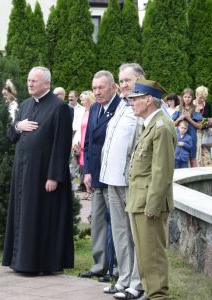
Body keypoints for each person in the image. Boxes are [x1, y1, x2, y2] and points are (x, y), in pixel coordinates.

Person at [2, 66, 74, 274]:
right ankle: (20, 261)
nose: (30, 83)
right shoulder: (24, 105)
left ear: (46, 84)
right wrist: (18, 126)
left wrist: (54, 175)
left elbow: (61, 145)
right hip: (22, 172)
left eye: (34, 81)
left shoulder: (58, 107)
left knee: (38, 216)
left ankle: (38, 263)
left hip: (43, 173)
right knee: (22, 215)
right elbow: (10, 135)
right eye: (28, 80)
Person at [127, 79, 176, 300]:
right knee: (144, 254)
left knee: (153, 255)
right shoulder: (151, 124)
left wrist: (153, 205)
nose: (132, 102)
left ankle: (158, 295)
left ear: (148, 100)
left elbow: (162, 171)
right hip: (140, 199)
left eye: (135, 98)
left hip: (149, 202)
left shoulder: (162, 126)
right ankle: (150, 291)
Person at [99, 63, 145, 299]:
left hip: (130, 183)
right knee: (119, 233)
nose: (124, 84)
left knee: (136, 235)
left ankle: (137, 282)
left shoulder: (143, 108)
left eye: (128, 80)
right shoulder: (121, 106)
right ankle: (124, 278)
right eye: (122, 80)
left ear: (139, 80)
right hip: (112, 181)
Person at [80, 70, 121, 280]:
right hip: (95, 176)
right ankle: (99, 266)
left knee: (115, 225)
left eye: (101, 87)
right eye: (94, 88)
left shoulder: (121, 108)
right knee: (97, 222)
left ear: (113, 87)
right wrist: (86, 171)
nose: (97, 92)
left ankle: (115, 269)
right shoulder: (95, 108)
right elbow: (87, 144)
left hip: (113, 177)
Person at [172, 88, 202, 167]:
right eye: (185, 97)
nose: (187, 99)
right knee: (178, 158)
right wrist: (179, 118)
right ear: (182, 97)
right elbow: (173, 124)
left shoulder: (196, 108)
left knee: (192, 158)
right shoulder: (178, 108)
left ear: (192, 98)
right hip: (180, 137)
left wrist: (189, 119)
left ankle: (195, 177)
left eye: (189, 97)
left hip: (191, 137)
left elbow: (200, 126)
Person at [72, 91, 95, 193]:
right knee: (81, 166)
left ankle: (90, 189)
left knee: (89, 165)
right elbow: (79, 128)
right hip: (81, 142)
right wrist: (75, 142)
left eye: (83, 99)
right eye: (81, 99)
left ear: (89, 100)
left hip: (89, 141)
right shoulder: (83, 112)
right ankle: (85, 188)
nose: (81, 101)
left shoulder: (94, 111)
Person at [194, 85, 212, 167]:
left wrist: (206, 122)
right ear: (196, 95)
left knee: (206, 157)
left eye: (204, 97)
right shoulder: (192, 105)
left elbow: (210, 119)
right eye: (201, 97)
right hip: (194, 133)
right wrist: (204, 121)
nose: (202, 99)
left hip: (205, 134)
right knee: (196, 156)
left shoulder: (207, 105)